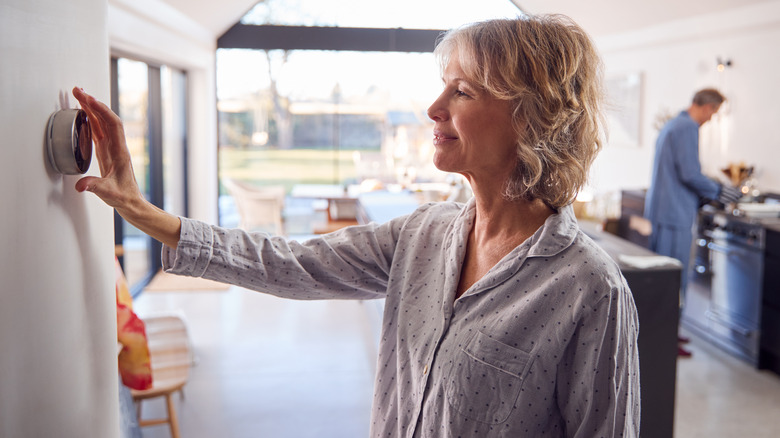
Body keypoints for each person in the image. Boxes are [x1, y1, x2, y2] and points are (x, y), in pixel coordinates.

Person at [73, 14, 640, 438]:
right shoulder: (423, 233)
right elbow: (290, 263)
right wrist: (144, 213)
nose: (433, 107)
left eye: (462, 91)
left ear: (532, 117)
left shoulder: (589, 289)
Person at [644, 88, 741, 357]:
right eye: (714, 113)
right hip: (674, 215)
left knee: (665, 277)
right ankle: (665, 341)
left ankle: (667, 334)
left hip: (663, 211)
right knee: (674, 279)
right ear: (708, 108)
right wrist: (719, 190)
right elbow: (689, 173)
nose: (712, 119)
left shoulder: (673, 124)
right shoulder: (687, 128)